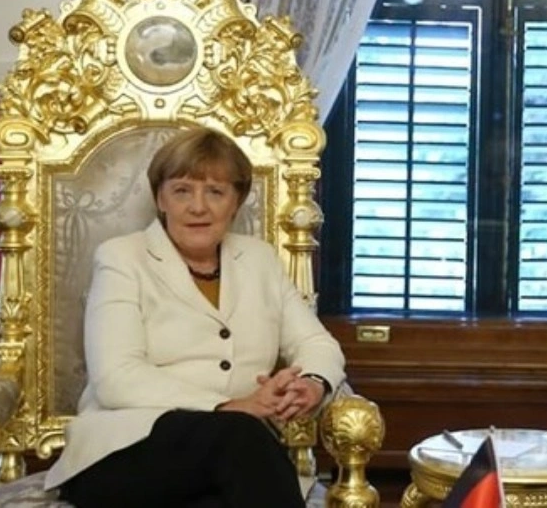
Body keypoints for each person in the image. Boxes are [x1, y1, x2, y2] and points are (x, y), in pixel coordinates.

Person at [45, 127, 345, 507]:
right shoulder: (122, 258)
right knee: (242, 436)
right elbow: (116, 378)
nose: (198, 207)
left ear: (236, 201)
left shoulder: (260, 260)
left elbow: (316, 343)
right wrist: (227, 406)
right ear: (161, 199)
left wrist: (312, 383)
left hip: (230, 462)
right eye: (182, 190)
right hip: (125, 449)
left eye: (215, 192)